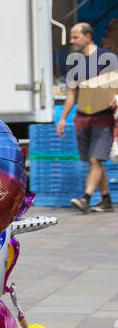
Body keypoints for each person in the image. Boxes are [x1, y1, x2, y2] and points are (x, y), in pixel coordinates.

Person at [58, 22, 115, 213]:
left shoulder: (107, 58)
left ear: (88, 37)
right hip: (82, 117)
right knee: (94, 161)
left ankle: (86, 198)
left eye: (75, 37)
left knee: (95, 160)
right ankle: (106, 199)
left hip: (103, 117)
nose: (71, 41)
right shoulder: (74, 61)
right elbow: (72, 94)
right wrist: (63, 118)